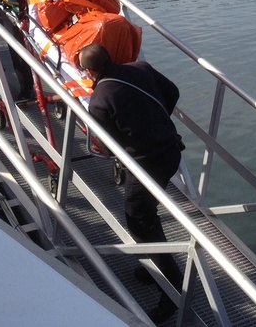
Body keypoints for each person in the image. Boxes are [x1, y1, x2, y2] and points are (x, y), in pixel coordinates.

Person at [78, 43, 183, 324]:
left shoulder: (99, 100)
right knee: (147, 212)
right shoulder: (141, 68)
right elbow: (172, 92)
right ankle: (151, 267)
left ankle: (173, 291)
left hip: (147, 163)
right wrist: (157, 123)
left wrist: (133, 140)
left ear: (89, 71)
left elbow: (108, 147)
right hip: (171, 150)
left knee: (139, 220)